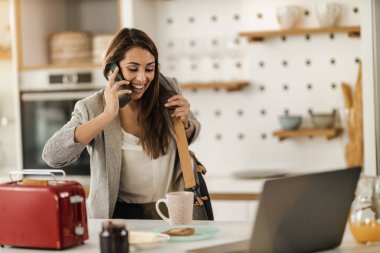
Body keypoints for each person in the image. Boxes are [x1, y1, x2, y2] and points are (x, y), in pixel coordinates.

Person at [42, 28, 200, 219]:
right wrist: (108, 114)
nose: (142, 78)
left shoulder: (168, 89)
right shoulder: (92, 107)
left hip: (169, 213)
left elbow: (191, 132)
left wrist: (186, 124)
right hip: (118, 217)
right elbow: (52, 155)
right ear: (112, 70)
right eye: (133, 69)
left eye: (150, 68)